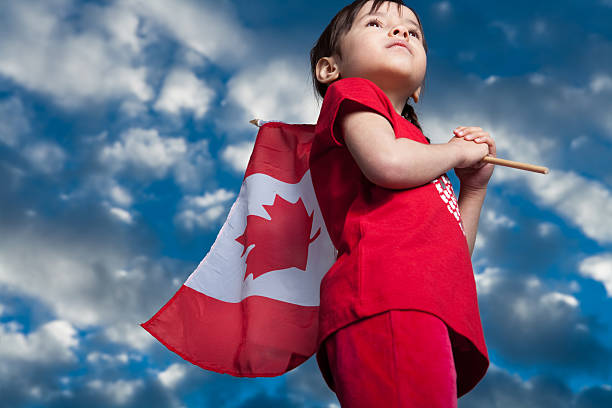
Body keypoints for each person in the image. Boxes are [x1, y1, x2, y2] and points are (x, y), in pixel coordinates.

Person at [307, 1, 495, 406]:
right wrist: (456, 152)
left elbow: (451, 255)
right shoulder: (354, 93)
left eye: (413, 31)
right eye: (376, 23)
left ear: (419, 87)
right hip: (386, 298)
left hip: (421, 303)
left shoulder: (420, 152)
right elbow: (386, 164)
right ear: (330, 69)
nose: (401, 33)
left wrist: (473, 190)